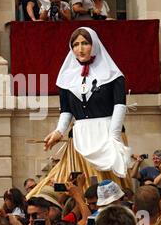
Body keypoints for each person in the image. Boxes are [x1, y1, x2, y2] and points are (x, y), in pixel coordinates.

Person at [43, 27, 132, 186]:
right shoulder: (66, 76)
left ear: (95, 44)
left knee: (109, 186)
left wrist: (113, 137)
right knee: (81, 185)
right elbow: (66, 110)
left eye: (85, 43)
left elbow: (120, 106)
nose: (80, 48)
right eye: (75, 45)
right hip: (80, 137)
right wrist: (59, 131)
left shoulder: (113, 74)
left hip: (107, 133)